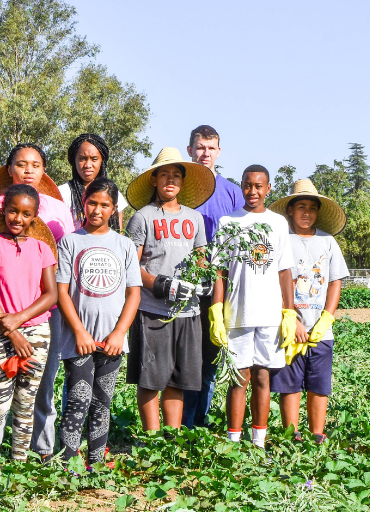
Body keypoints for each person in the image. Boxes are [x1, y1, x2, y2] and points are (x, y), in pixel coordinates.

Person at [0, 143, 74, 459]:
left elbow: (57, 277)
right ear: (9, 169)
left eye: (35, 164)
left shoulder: (56, 214)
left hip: (39, 318)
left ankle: (37, 451)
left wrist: (21, 319)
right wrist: (10, 324)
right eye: (21, 163)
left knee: (38, 390)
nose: (28, 169)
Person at [124, 147, 214, 430]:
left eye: (176, 175)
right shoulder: (143, 217)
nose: (170, 180)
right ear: (154, 180)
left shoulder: (194, 218)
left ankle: (171, 438)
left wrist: (203, 277)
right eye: (165, 175)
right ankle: (151, 438)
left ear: (183, 182)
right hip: (153, 310)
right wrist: (161, 285)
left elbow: (201, 257)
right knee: (151, 378)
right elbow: (130, 267)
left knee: (177, 378)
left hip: (187, 311)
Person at [55, 178, 141, 466]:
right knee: (78, 400)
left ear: (114, 209)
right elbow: (62, 293)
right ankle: (69, 462)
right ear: (83, 203)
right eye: (92, 203)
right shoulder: (70, 241)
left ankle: (96, 462)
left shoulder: (124, 245)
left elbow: (133, 294)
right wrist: (79, 331)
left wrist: (119, 333)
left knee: (102, 403)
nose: (97, 209)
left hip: (111, 342)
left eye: (105, 205)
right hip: (78, 341)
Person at [213, 165, 295, 449]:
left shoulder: (278, 223)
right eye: (248, 185)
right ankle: (233, 441)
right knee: (239, 378)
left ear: (268, 189)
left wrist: (290, 311)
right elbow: (220, 272)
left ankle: (258, 442)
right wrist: (216, 311)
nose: (253, 191)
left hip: (270, 315)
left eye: (259, 186)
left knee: (262, 377)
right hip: (237, 313)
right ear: (241, 186)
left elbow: (285, 271)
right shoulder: (228, 222)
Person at [268, 179, 347, 444]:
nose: (306, 213)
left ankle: (317, 434)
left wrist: (327, 317)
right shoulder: (280, 240)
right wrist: (292, 320)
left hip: (320, 331)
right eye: (301, 207)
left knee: (319, 384)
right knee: (289, 383)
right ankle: (292, 435)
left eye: (312, 208)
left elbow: (335, 280)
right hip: (290, 328)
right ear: (289, 210)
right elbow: (275, 283)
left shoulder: (327, 242)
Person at [183, 125, 245, 429]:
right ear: (190, 150)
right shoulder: (178, 187)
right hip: (181, 286)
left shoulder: (233, 192)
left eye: (211, 148)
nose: (205, 153)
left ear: (218, 152)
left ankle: (199, 419)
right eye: (200, 147)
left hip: (218, 286)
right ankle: (178, 423)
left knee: (209, 355)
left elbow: (240, 241)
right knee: (182, 356)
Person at [58, 134, 130, 228]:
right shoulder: (62, 193)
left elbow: (119, 231)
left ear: (102, 161)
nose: (88, 165)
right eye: (82, 159)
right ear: (74, 160)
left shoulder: (114, 194)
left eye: (94, 159)